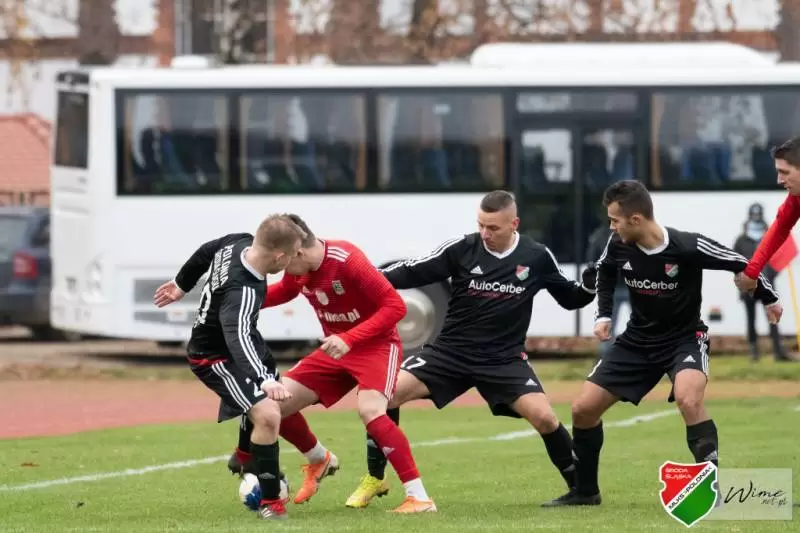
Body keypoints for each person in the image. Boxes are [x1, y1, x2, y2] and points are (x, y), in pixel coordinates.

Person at [343, 190, 598, 509]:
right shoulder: (463, 248)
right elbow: (413, 270)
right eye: (481, 225)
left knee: (545, 418)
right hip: (450, 353)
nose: (485, 233)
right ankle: (375, 477)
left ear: (514, 224)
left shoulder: (536, 256)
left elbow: (571, 299)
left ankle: (583, 491)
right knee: (386, 395)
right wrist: (368, 278)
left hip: (503, 359)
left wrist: (589, 286)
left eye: (493, 227)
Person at [543, 180, 782, 507]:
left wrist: (769, 298)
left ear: (636, 219)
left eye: (614, 220)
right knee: (583, 409)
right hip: (637, 341)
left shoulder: (687, 245)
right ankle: (585, 492)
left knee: (688, 399)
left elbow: (740, 262)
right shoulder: (617, 244)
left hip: (685, 338)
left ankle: (710, 491)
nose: (611, 227)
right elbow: (605, 272)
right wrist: (604, 314)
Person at [234, 214, 436, 514]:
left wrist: (350, 338)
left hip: (376, 346)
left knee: (371, 411)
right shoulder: (299, 267)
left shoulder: (348, 260)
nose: (280, 268)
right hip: (335, 349)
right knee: (272, 405)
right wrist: (241, 300)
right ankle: (319, 458)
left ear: (298, 252)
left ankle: (419, 498)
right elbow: (287, 290)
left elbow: (395, 306)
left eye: (284, 262)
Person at [152, 214, 306, 520]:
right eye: (292, 255)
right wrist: (262, 380)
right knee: (268, 414)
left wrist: (182, 285)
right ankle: (271, 504)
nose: (294, 259)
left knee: (269, 384)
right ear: (278, 256)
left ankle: (244, 455)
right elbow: (238, 337)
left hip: (236, 345)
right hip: (213, 357)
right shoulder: (242, 291)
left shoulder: (240, 242)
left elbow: (206, 250)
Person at [735, 137, 800, 292]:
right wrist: (752, 272)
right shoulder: (796, 197)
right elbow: (780, 229)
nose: (779, 180)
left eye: (784, 172)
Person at [732, 205, 790, 361]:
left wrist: (770, 276)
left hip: (767, 285)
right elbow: (734, 261)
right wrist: (742, 279)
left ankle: (778, 350)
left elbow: (779, 258)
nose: (756, 218)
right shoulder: (741, 240)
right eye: (754, 215)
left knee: (773, 317)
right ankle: (753, 352)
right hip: (748, 286)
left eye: (758, 215)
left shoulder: (770, 236)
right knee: (751, 320)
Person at [586, 223, 628, 357]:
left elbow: (591, 261)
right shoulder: (630, 233)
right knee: (642, 325)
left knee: (606, 325)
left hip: (611, 287)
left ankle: (603, 358)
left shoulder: (599, 235)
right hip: (631, 285)